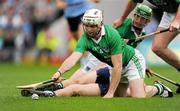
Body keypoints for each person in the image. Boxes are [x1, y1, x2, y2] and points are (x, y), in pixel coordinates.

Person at [39, 8, 173, 98]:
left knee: (138, 97)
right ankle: (57, 89)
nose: (89, 29)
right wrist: (59, 72)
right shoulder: (85, 38)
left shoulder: (111, 35)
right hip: (113, 63)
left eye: (92, 26)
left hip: (130, 61)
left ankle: (157, 88)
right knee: (122, 96)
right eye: (86, 25)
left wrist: (109, 93)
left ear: (100, 25)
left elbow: (118, 65)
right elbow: (74, 57)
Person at [114, 0, 180, 72]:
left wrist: (177, 20)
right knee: (157, 48)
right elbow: (133, 1)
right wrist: (122, 19)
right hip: (169, 13)